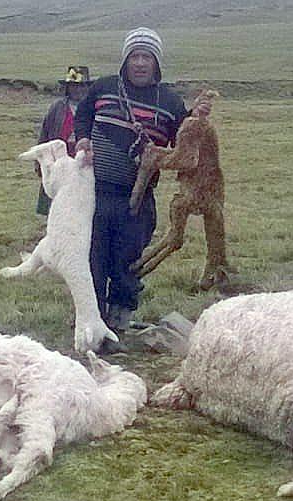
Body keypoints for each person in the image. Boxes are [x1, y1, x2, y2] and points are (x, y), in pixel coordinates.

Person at [75, 27, 210, 345]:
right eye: (134, 56)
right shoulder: (104, 87)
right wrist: (82, 138)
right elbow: (83, 116)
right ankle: (93, 320)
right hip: (94, 194)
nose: (139, 63)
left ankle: (120, 321)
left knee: (128, 259)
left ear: (156, 63)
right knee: (92, 258)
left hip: (137, 199)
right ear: (125, 59)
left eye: (146, 57)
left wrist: (197, 119)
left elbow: (184, 142)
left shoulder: (171, 102)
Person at [33, 66, 94, 215]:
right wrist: (39, 160)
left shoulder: (93, 109)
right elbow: (45, 134)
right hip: (59, 162)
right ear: (67, 88)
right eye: (73, 86)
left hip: (83, 164)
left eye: (81, 86)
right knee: (56, 204)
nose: (77, 90)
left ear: (87, 88)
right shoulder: (57, 108)